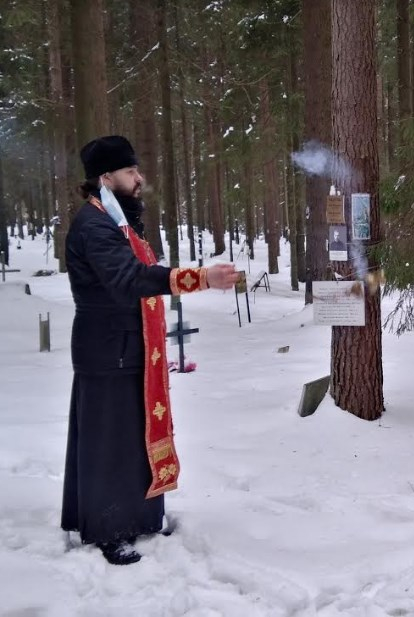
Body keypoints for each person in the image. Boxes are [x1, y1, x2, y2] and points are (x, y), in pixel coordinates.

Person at [61, 135, 239, 565]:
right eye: (130, 172)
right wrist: (198, 278)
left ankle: (140, 517)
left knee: (131, 439)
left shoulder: (115, 220)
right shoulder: (95, 225)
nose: (139, 178)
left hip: (127, 348)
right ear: (106, 177)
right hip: (108, 350)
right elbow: (129, 280)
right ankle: (107, 531)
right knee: (109, 444)